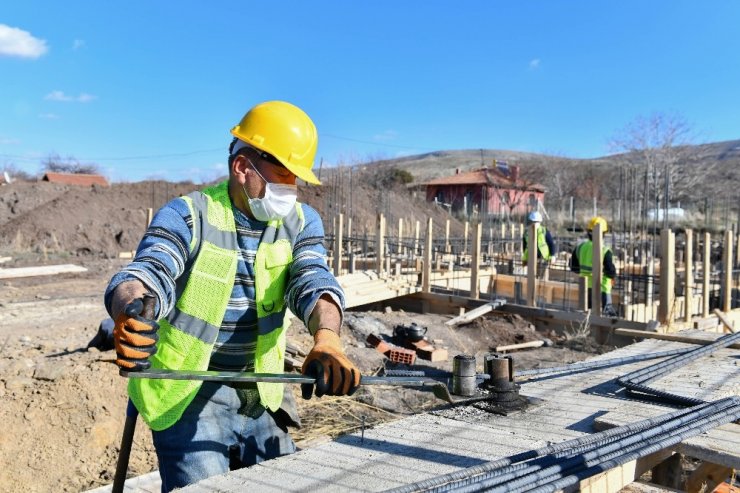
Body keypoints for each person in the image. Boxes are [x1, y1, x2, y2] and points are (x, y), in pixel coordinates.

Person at [105, 100, 361, 492]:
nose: (291, 189)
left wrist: (327, 338)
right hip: (186, 390)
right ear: (243, 167)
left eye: (296, 179)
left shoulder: (301, 222)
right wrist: (131, 309)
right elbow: (149, 270)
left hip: (258, 387)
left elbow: (312, 278)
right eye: (283, 174)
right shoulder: (190, 214)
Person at [570, 216, 618, 317]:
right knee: (606, 315)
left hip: (585, 288)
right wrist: (613, 276)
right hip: (602, 289)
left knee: (586, 315)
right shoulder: (605, 250)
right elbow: (610, 271)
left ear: (588, 232)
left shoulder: (580, 247)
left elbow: (573, 267)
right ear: (604, 234)